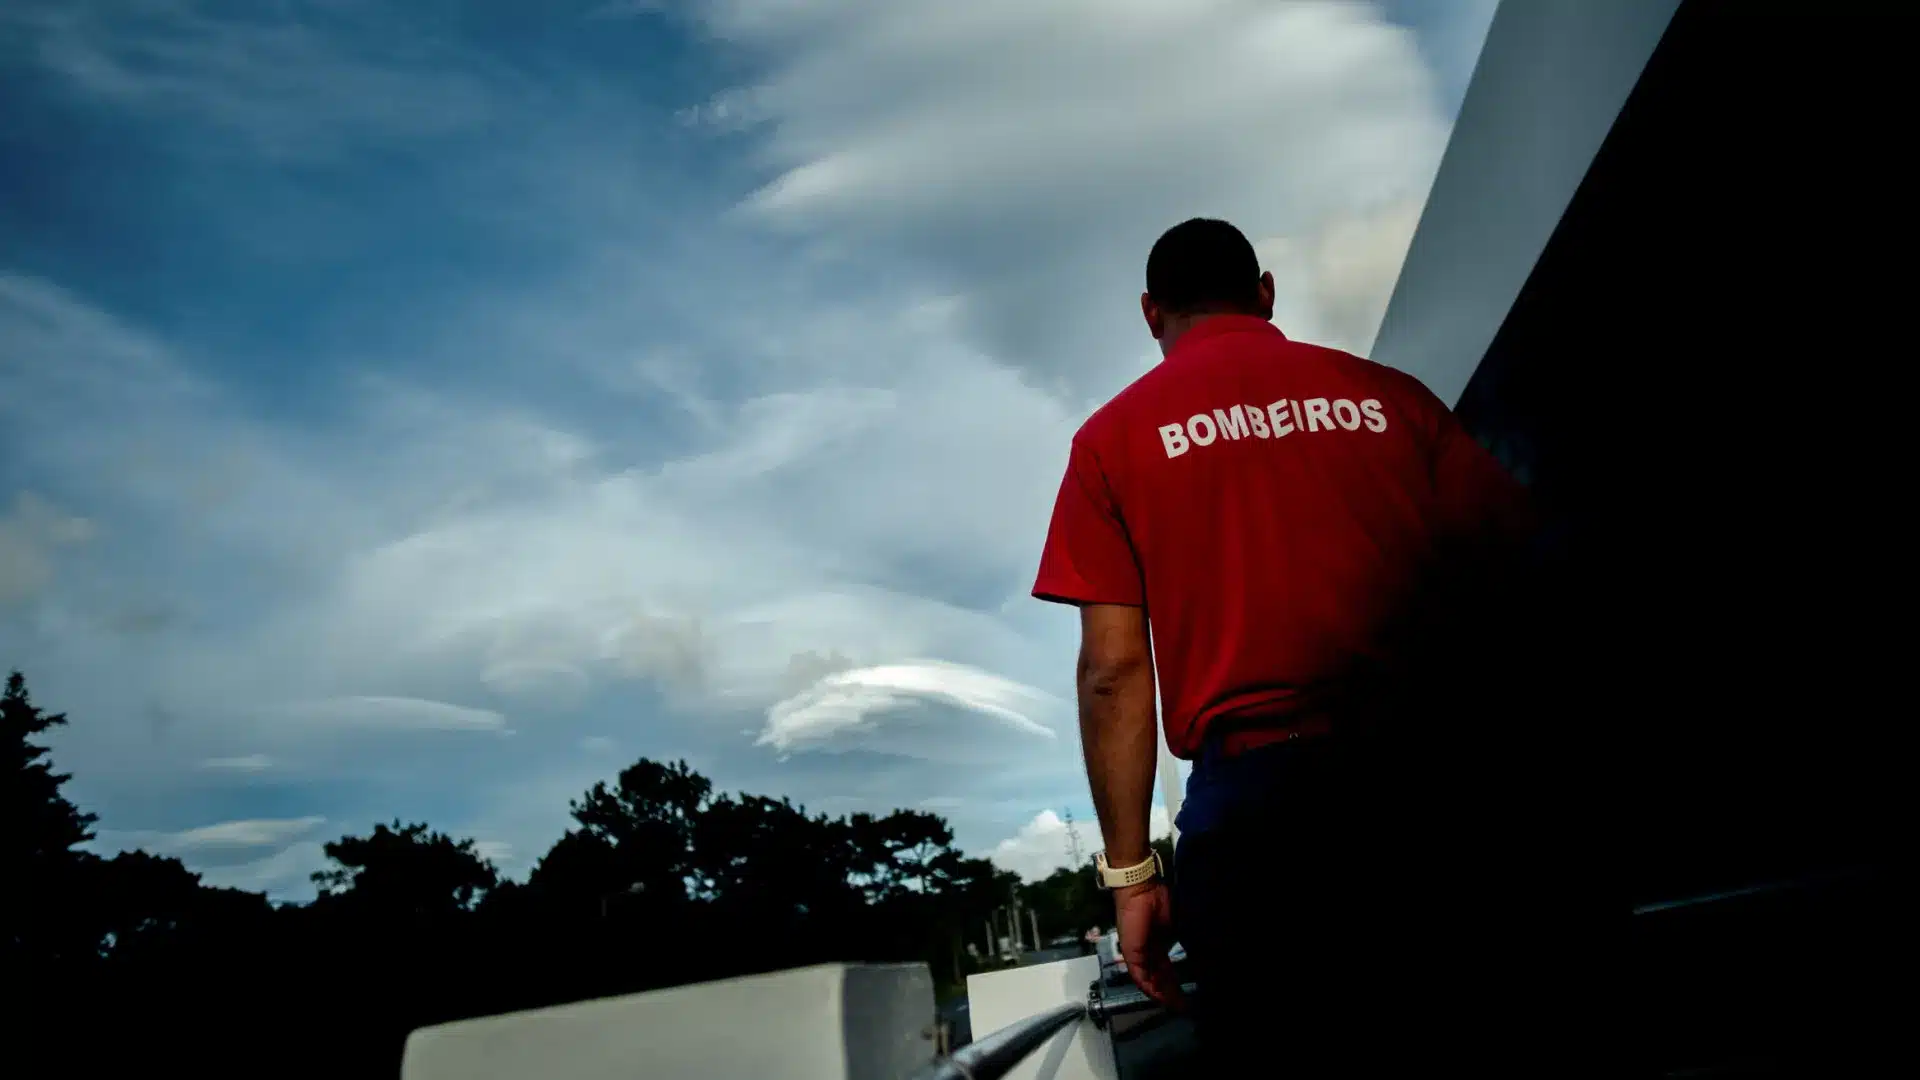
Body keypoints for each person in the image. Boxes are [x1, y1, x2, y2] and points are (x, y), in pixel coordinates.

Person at [1030, 218, 1536, 1073]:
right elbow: (1516, 581)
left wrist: (1132, 874)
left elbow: (1112, 671)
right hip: (1433, 787)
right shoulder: (1392, 399)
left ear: (1151, 313)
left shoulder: (1111, 442)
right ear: (1265, 292)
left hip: (1255, 821)